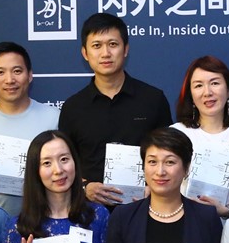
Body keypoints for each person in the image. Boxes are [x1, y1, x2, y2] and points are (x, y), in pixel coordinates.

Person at [59, 13, 173, 208]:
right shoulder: (73, 107)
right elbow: (63, 163)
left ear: (125, 49)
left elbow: (170, 154)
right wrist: (85, 187)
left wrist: (154, 188)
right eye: (97, 45)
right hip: (89, 212)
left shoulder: (153, 99)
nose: (105, 53)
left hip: (144, 207)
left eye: (113, 44)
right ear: (85, 53)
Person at [0, 42, 62, 216]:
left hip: (45, 221)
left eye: (17, 71)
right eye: (0, 72)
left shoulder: (54, 118)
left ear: (29, 75)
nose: (9, 80)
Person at [170, 55, 229, 219]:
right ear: (190, 94)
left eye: (215, 83)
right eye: (198, 85)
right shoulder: (176, 134)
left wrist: (227, 210)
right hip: (182, 225)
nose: (207, 92)